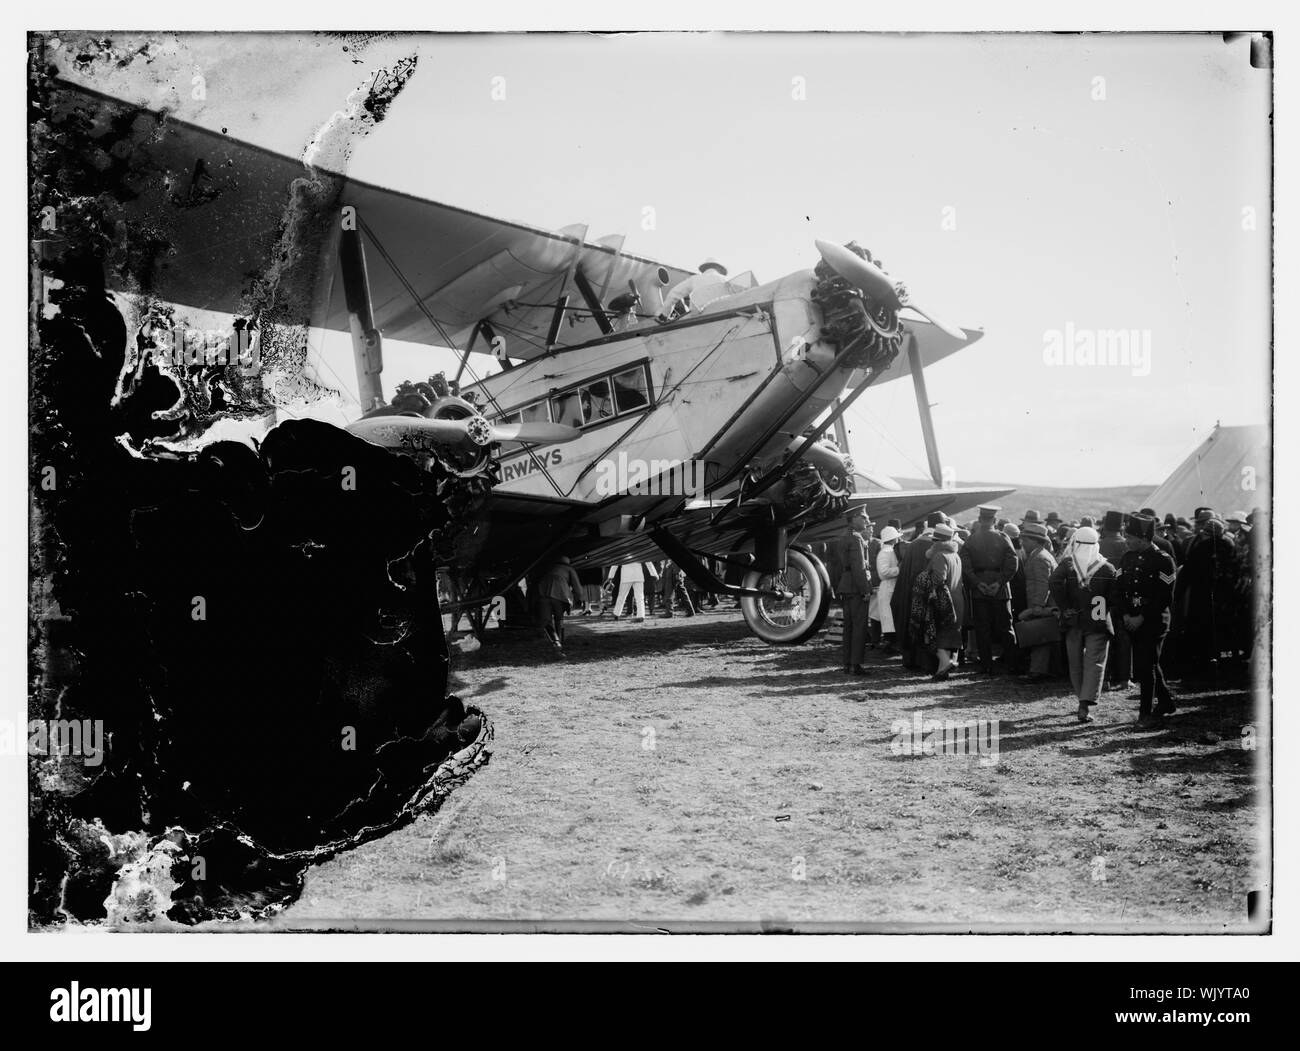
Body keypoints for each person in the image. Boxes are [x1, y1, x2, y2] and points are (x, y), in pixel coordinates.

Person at [1048, 526, 1118, 723]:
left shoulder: (1068, 564)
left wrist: (1065, 606)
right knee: (1094, 662)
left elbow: (1053, 582)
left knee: (1075, 663)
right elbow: (1114, 596)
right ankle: (1086, 703)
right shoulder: (1107, 567)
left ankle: (1080, 698)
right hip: (1098, 620)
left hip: (1073, 620)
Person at [1115, 513, 1178, 725]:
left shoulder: (1163, 560)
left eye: (1130, 537)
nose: (1127, 541)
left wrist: (1141, 617)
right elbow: (1119, 589)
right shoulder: (1127, 557)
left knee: (1146, 665)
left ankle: (1145, 713)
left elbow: (1164, 597)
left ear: (1143, 538)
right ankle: (1166, 702)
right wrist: (1125, 614)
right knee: (1148, 663)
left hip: (1154, 621)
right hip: (1131, 619)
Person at [960, 505, 1018, 675]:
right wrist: (999, 582)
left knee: (982, 629)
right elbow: (1012, 564)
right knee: (1006, 628)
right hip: (1000, 590)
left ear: (979, 519)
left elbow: (965, 565)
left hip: (979, 590)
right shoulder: (1003, 537)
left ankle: (986, 665)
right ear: (994, 520)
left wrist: (977, 583)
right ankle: (1012, 664)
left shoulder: (971, 540)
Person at [892, 513, 943, 670]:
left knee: (913, 624)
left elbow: (905, 574)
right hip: (932, 594)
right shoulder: (938, 545)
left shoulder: (914, 544)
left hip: (913, 594)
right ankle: (929, 663)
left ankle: (911, 660)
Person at [917, 523, 964, 680]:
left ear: (937, 541)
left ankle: (946, 663)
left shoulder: (939, 556)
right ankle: (942, 671)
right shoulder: (955, 555)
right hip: (957, 600)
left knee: (936, 634)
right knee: (951, 634)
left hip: (943, 601)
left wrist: (924, 581)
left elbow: (939, 579)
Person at [1017, 522, 1059, 683]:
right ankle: (1042, 670)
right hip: (1044, 604)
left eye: (1025, 540)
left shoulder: (1039, 558)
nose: (1022, 543)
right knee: (1043, 638)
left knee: (1040, 637)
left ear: (1035, 541)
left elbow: (1043, 584)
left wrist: (1036, 607)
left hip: (1042, 606)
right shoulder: (1041, 554)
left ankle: (1037, 671)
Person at [834, 510, 873, 675]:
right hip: (856, 587)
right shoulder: (856, 538)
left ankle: (847, 663)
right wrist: (865, 589)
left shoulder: (844, 536)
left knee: (848, 627)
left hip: (846, 585)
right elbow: (859, 568)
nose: (866, 520)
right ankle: (855, 665)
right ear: (853, 519)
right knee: (859, 627)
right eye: (863, 517)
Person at [1099, 511, 1133, 691]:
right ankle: (1125, 679)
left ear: (1105, 527)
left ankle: (1104, 679)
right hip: (1122, 597)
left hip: (1100, 598)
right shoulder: (1127, 546)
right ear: (1121, 527)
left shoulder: (1098, 545)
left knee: (1103, 638)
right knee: (1123, 638)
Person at [535, 555, 585, 655]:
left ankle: (556, 641)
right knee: (559, 619)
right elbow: (577, 587)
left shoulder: (549, 568)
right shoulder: (569, 569)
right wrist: (581, 599)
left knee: (547, 621)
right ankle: (560, 643)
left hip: (543, 594)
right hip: (560, 596)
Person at [658, 259, 730, 321]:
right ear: (719, 268)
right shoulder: (726, 280)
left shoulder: (694, 279)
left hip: (697, 320)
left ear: (705, 269)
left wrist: (664, 315)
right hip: (724, 319)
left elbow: (673, 294)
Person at [875, 526, 902, 655]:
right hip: (888, 587)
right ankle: (890, 644)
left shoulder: (889, 551)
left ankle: (892, 643)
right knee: (888, 618)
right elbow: (883, 572)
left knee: (891, 618)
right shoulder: (885, 553)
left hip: (892, 587)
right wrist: (899, 569)